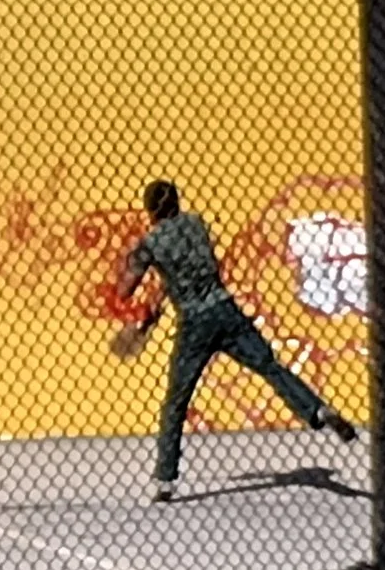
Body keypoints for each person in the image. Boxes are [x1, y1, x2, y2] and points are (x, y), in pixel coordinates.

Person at [118, 179, 355, 504]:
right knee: (270, 367)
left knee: (176, 401)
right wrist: (164, 290)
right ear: (176, 201)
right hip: (226, 309)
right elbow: (197, 269)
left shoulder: (150, 243)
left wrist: (132, 266)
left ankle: (165, 480)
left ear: (149, 209)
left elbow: (126, 288)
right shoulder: (196, 223)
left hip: (194, 322)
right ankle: (317, 409)